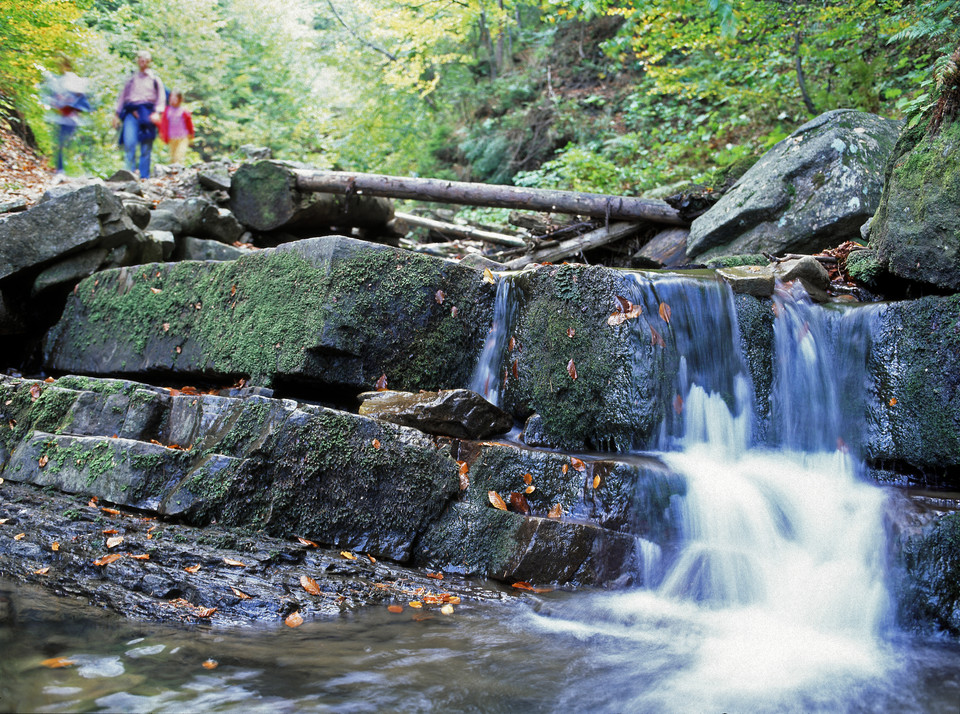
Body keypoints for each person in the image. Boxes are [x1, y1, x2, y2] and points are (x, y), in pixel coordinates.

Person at [113, 50, 165, 178]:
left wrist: (157, 113)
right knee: (129, 143)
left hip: (148, 113)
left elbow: (161, 98)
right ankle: (129, 175)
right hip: (132, 112)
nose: (143, 62)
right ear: (137, 61)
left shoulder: (155, 80)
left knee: (146, 146)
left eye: (146, 60)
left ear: (149, 62)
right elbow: (122, 97)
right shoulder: (131, 79)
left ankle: (144, 176)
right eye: (141, 59)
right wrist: (116, 115)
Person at [41, 56, 90, 174]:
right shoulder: (59, 81)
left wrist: (70, 105)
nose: (61, 68)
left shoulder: (73, 81)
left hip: (71, 118)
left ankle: (68, 168)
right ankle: (61, 168)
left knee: (64, 143)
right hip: (61, 118)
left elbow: (82, 101)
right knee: (60, 143)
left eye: (62, 65)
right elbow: (54, 98)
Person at [159, 91, 194, 165]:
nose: (172, 101)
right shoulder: (167, 110)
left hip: (183, 137)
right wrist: (162, 134)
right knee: (172, 157)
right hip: (171, 137)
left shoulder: (183, 110)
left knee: (179, 156)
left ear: (180, 99)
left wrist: (191, 134)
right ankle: (173, 174)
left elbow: (189, 124)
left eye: (175, 99)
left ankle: (179, 172)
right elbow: (163, 124)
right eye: (171, 98)